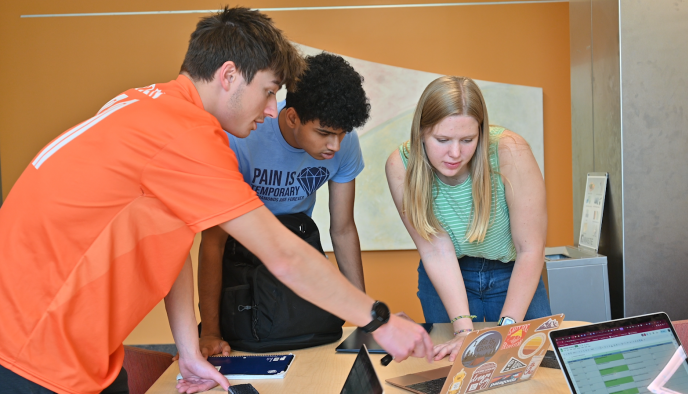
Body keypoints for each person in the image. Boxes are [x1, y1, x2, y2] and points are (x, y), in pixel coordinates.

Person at [0, 7, 433, 394]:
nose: (270, 110)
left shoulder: (144, 106)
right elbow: (284, 257)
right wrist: (378, 319)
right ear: (228, 76)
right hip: (32, 352)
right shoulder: (188, 136)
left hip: (78, 345)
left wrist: (189, 350)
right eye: (268, 91)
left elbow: (169, 247)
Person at [198, 52, 370, 357]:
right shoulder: (243, 136)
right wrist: (210, 332)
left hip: (296, 247)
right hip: (241, 254)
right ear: (292, 117)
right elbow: (214, 241)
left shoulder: (343, 142)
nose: (336, 146)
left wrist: (366, 317)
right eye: (324, 133)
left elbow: (343, 230)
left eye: (342, 134)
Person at [385, 76, 551, 362]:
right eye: (442, 140)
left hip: (512, 273)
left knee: (526, 369)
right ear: (422, 132)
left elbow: (531, 249)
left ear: (481, 133)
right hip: (449, 276)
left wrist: (506, 330)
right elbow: (435, 250)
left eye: (467, 140)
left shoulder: (510, 151)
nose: (455, 153)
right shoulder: (401, 165)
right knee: (456, 368)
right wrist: (463, 332)